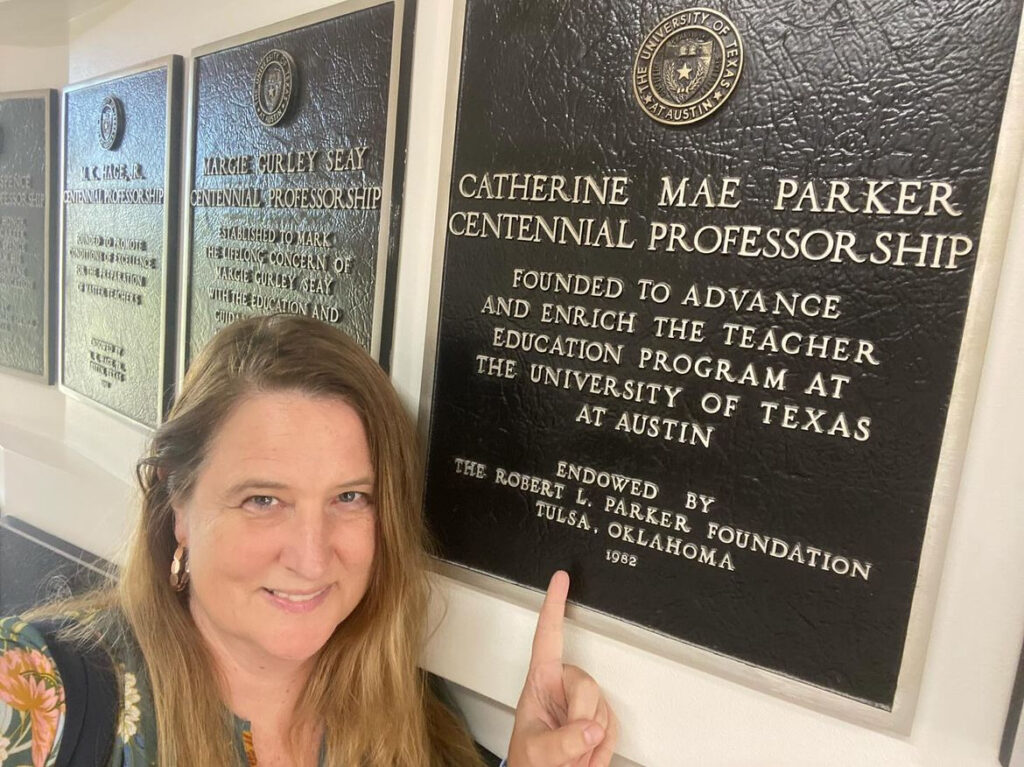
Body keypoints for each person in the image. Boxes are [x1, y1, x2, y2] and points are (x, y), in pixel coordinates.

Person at [0, 314, 617, 767]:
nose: (312, 555)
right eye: (263, 500)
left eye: (350, 498)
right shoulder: (37, 690)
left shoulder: (419, 722)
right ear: (175, 505)